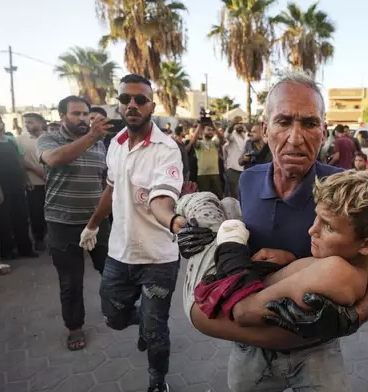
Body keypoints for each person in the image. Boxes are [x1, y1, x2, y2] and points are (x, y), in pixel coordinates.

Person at [185, 69, 368, 391]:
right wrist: (204, 238)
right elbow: (242, 244)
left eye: (309, 123)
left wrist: (353, 318)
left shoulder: (342, 188)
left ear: (324, 130)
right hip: (251, 352)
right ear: (264, 129)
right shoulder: (248, 179)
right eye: (283, 121)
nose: (295, 138)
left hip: (316, 349)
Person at [183, 170, 368, 331]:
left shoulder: (337, 271)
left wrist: (232, 244)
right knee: (229, 205)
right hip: (230, 292)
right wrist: (291, 262)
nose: (312, 230)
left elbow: (243, 312)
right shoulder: (353, 264)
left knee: (203, 202)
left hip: (204, 300)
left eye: (329, 226)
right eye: (317, 218)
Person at [81, 74, 185, 392]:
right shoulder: (116, 144)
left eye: (140, 99)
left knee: (156, 332)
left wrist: (172, 221)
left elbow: (162, 198)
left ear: (152, 105)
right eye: (126, 99)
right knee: (113, 316)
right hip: (119, 253)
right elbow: (111, 190)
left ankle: (157, 381)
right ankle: (147, 318)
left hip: (158, 258)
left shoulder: (167, 149)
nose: (133, 105)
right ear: (119, 104)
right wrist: (93, 224)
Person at [38, 96, 112, 351]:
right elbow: (55, 159)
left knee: (112, 270)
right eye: (76, 114)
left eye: (85, 114)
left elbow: (103, 180)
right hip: (62, 223)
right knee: (71, 280)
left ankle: (116, 310)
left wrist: (108, 211)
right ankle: (75, 327)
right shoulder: (49, 140)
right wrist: (91, 137)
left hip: (97, 221)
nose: (82, 119)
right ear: (62, 116)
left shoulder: (99, 143)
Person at [0, 113, 37, 259]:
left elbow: (20, 160)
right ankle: (7, 251)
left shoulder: (11, 140)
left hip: (17, 184)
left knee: (22, 218)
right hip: (0, 186)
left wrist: (26, 180)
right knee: (3, 220)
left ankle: (25, 249)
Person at [18, 113, 47, 251]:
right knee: (36, 213)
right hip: (34, 183)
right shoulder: (20, 140)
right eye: (26, 122)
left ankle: (53, 239)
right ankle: (39, 239)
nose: (27, 125)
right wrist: (35, 172)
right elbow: (20, 161)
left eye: (31, 122)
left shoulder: (50, 138)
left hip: (53, 182)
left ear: (41, 122)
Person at [189, 123, 225, 198]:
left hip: (215, 174)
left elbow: (222, 139)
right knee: (204, 198)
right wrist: (199, 126)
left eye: (212, 130)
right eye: (208, 129)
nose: (211, 132)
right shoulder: (200, 144)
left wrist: (214, 126)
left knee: (219, 197)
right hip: (202, 175)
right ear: (203, 131)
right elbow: (193, 140)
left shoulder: (215, 143)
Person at [225, 120, 248, 198]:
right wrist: (232, 124)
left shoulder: (245, 135)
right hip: (234, 169)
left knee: (244, 193)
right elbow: (227, 135)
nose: (239, 125)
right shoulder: (232, 135)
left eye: (241, 123)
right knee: (235, 194)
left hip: (245, 169)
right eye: (237, 124)